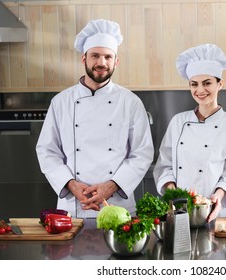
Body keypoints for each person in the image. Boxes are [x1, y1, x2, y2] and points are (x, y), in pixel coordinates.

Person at [36, 19, 154, 218]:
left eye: (108, 57)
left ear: (116, 61)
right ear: (84, 59)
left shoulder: (131, 102)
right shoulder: (61, 102)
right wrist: (71, 185)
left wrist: (111, 186)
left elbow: (142, 153)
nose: (102, 63)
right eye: (95, 56)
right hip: (74, 206)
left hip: (117, 205)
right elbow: (47, 151)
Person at [153, 43, 226, 221]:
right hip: (177, 210)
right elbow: (164, 165)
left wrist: (217, 198)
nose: (200, 90)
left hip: (214, 212)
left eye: (207, 83)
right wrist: (174, 194)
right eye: (194, 84)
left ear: (220, 84)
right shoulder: (178, 122)